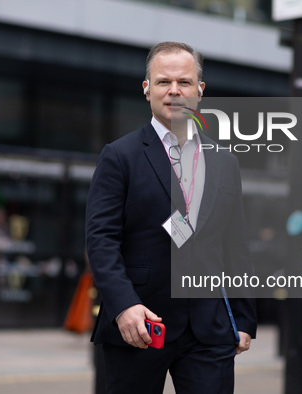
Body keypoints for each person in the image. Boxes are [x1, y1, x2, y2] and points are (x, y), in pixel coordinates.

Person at [85, 41, 257, 394]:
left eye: (185, 82)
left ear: (200, 91)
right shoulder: (119, 156)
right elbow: (101, 241)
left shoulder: (225, 161)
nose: (175, 91)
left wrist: (243, 317)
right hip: (141, 324)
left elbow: (236, 243)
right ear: (147, 89)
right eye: (164, 82)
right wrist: (124, 306)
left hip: (209, 329)